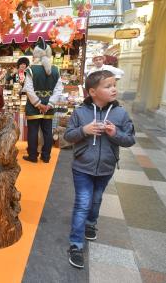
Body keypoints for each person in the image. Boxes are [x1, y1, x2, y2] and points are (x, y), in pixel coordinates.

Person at [64, 70, 135, 269]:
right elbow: (68, 136)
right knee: (82, 203)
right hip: (82, 167)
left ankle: (91, 223)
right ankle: (76, 245)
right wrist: (84, 131)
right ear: (92, 92)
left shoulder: (120, 113)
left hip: (106, 167)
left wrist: (116, 133)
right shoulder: (80, 112)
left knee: (96, 200)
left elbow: (130, 139)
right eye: (108, 86)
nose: (114, 89)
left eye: (114, 85)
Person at [22, 38, 63, 163]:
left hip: (34, 106)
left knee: (33, 131)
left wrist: (38, 104)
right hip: (49, 105)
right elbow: (58, 89)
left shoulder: (31, 69)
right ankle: (46, 156)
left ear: (36, 53)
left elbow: (28, 89)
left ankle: (33, 156)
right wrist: (49, 104)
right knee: (47, 131)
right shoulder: (56, 69)